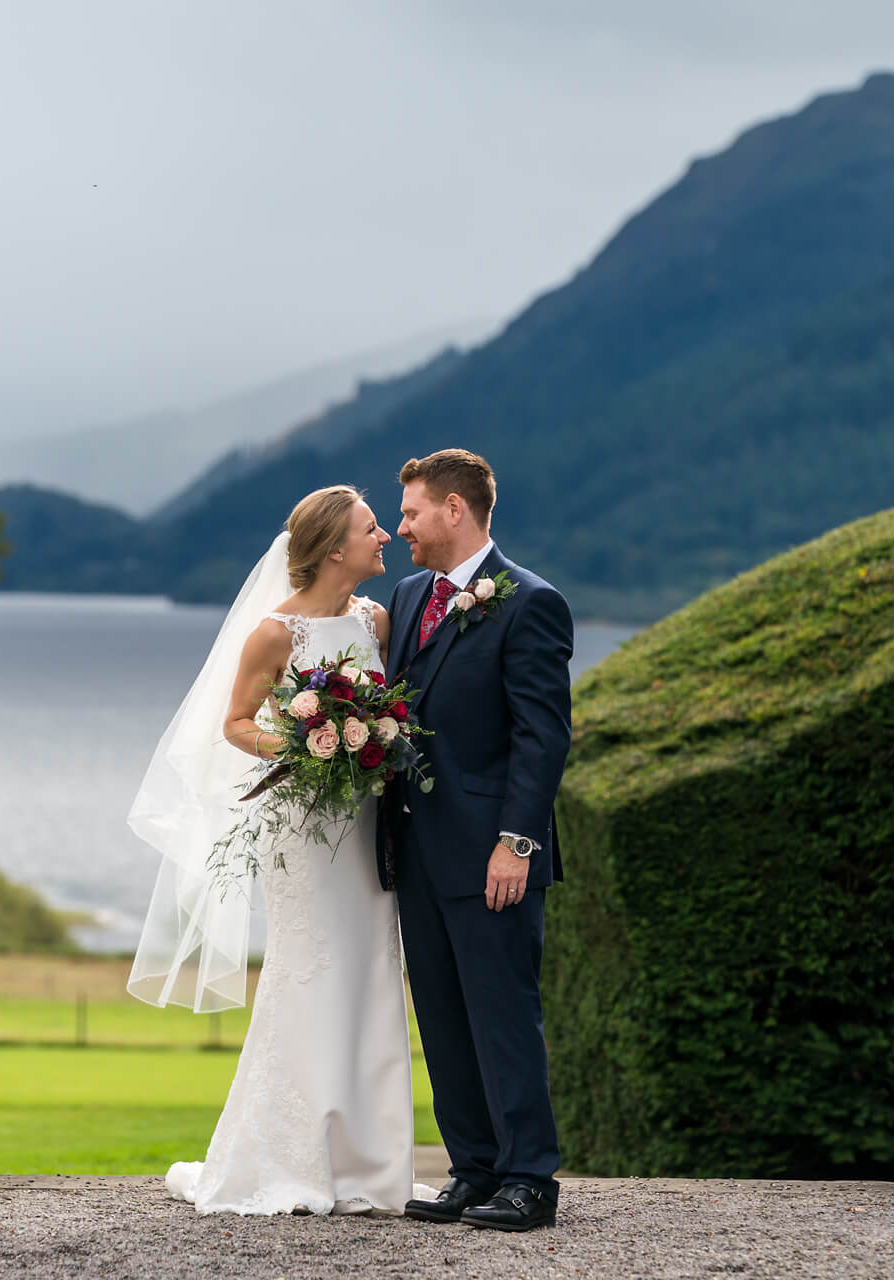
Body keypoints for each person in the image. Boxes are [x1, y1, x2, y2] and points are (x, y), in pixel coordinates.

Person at [126, 485, 432, 1215]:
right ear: (334, 548)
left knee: (370, 969)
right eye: (369, 528)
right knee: (308, 970)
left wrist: (371, 742)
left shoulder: (375, 620)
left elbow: (388, 708)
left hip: (364, 829)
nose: (383, 534)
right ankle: (286, 1156)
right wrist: (305, 747)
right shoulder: (273, 634)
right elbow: (234, 723)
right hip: (301, 826)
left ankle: (369, 1165)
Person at [379, 449, 572, 1233]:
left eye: (413, 513)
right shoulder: (408, 593)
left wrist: (516, 842)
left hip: (494, 855)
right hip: (415, 851)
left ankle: (530, 1181)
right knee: (443, 1016)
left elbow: (543, 736)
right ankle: (473, 1169)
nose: (403, 529)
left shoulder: (531, 603)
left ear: (455, 510)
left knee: (502, 1014)